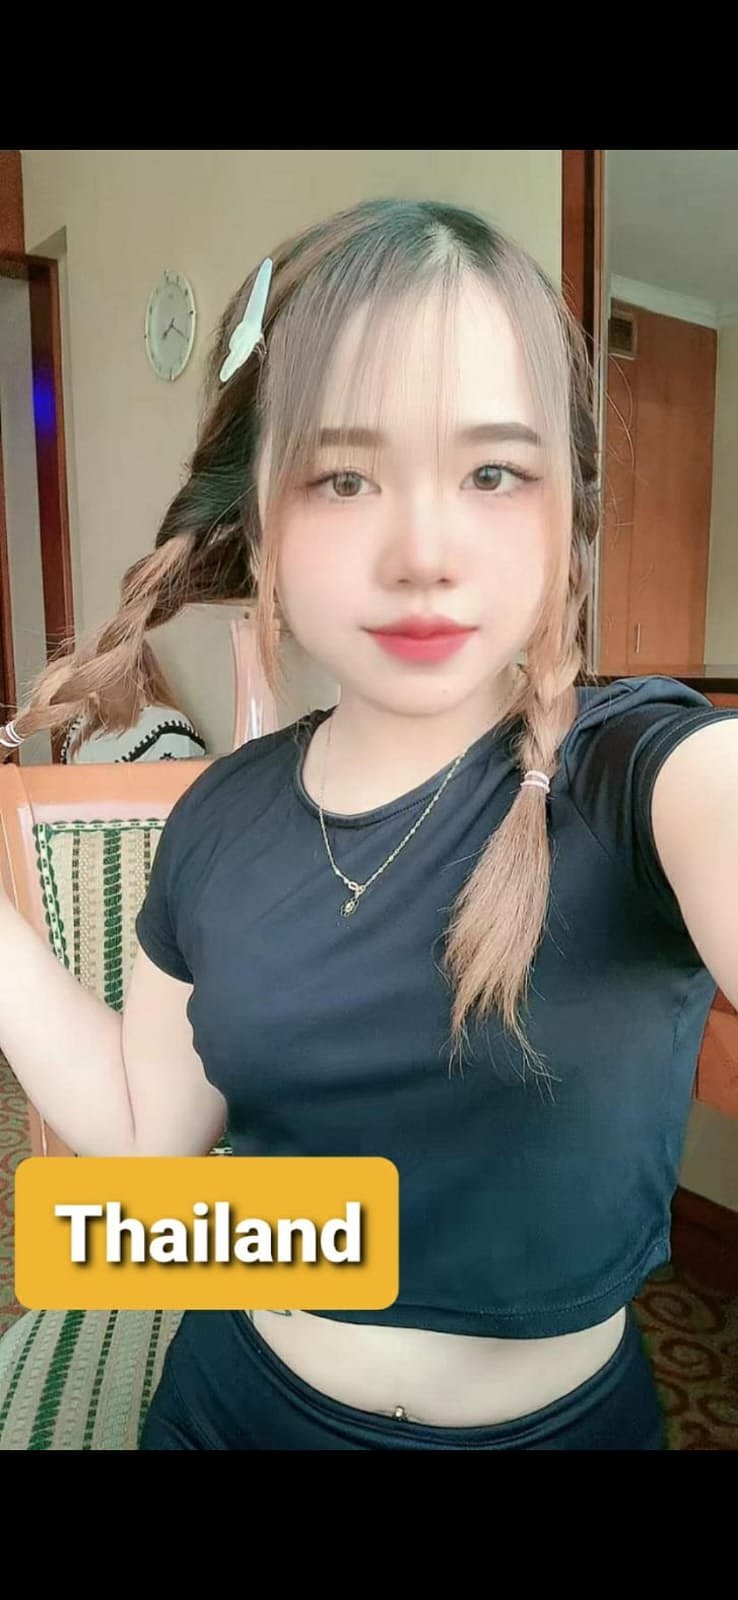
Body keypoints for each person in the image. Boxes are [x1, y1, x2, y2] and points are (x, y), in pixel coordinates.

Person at [1, 196, 737, 1452]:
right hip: (232, 1409)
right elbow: (140, 1150)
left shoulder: (642, 770)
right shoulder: (219, 820)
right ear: (255, 516)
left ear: (564, 506)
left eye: (493, 472)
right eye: (343, 476)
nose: (424, 552)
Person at [59, 640, 207, 763]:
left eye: (100, 682)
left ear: (137, 678)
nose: (91, 694)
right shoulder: (83, 727)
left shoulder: (168, 729)